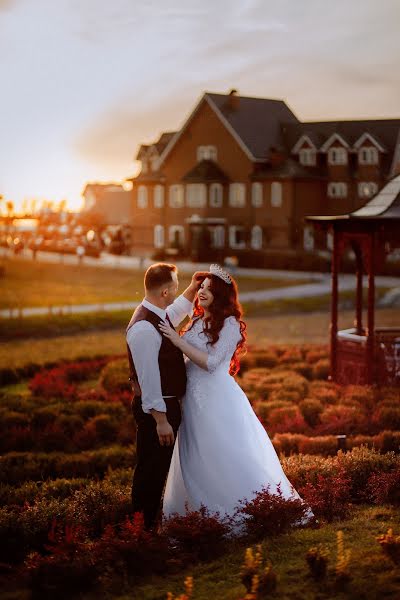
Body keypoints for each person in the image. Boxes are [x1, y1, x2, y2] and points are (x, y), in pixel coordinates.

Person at [159, 264, 313, 526]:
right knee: (195, 455)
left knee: (222, 453)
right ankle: (198, 517)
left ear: (221, 295)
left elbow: (212, 362)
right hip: (193, 401)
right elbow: (166, 326)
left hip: (216, 400)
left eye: (208, 289)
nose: (202, 292)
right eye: (201, 288)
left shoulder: (229, 324)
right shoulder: (195, 320)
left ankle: (236, 514)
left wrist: (177, 341)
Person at [126, 263, 207, 530]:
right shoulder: (144, 329)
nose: (176, 289)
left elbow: (175, 311)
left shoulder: (156, 313)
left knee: (155, 470)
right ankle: (142, 530)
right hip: (157, 411)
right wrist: (161, 420)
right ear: (164, 291)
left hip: (166, 406)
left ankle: (145, 526)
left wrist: (192, 289)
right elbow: (149, 381)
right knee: (151, 473)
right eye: (174, 285)